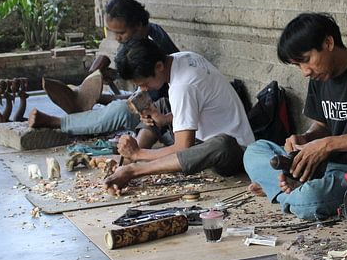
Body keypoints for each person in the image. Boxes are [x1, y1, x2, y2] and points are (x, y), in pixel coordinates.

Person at [243, 13, 347, 220]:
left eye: (306, 60)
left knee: (312, 197)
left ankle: (279, 191)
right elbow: (321, 125)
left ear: (328, 43)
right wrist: (306, 139)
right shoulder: (319, 77)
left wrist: (327, 145)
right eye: (297, 65)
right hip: (323, 167)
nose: (305, 72)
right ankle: (291, 189)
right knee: (254, 151)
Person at [103, 38, 254, 193]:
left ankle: (134, 166)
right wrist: (163, 119)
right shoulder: (183, 57)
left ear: (159, 66)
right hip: (204, 136)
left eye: (144, 83)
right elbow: (195, 105)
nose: (144, 89)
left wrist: (139, 155)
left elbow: (182, 148)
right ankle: (130, 157)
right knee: (162, 105)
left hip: (235, 152)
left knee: (222, 144)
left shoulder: (182, 86)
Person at [29, 0, 178, 134]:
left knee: (121, 110)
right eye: (113, 33)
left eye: (121, 33)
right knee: (119, 100)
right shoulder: (139, 37)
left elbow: (148, 98)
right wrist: (112, 75)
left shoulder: (152, 45)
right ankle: (89, 98)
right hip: (150, 95)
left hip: (165, 106)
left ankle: (58, 122)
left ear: (138, 25)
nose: (117, 39)